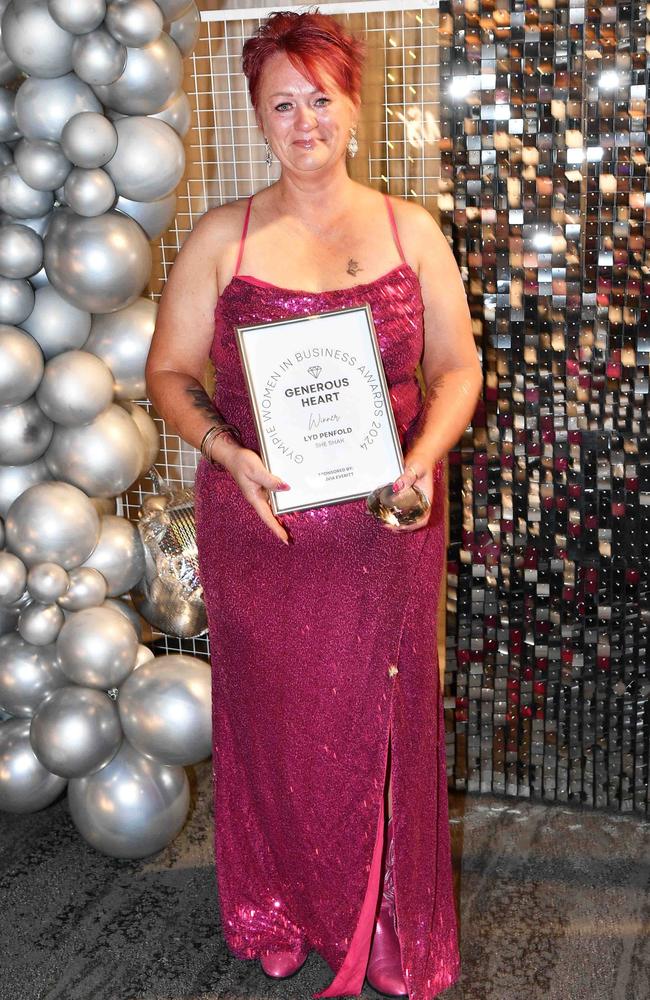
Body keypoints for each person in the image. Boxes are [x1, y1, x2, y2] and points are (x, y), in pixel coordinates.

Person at [145, 10, 482, 999]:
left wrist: (420, 459)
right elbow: (167, 371)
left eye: (318, 99)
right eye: (279, 104)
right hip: (261, 529)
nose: (302, 122)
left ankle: (385, 923)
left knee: (382, 716)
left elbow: (457, 368)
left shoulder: (407, 229)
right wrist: (225, 450)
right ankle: (281, 906)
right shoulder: (223, 236)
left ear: (352, 104)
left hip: (391, 524)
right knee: (276, 722)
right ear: (256, 117)